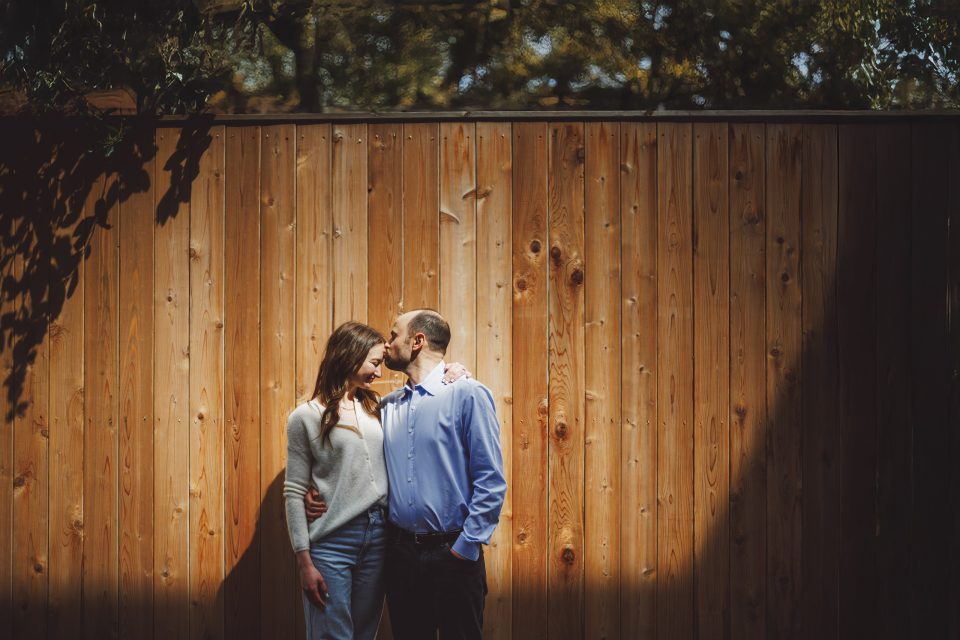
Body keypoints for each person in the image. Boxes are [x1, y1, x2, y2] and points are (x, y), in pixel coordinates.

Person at [306, 309, 507, 640]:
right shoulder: (386, 408)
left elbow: (491, 480)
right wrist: (310, 488)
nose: (386, 345)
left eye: (393, 335)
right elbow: (348, 454)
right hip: (400, 555)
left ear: (418, 341)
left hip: (454, 552)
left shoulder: (467, 394)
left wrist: (465, 547)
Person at [284, 321, 389, 640]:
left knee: (363, 634)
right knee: (332, 635)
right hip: (332, 541)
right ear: (350, 356)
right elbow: (293, 491)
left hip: (380, 537)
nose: (379, 373)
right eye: (374, 363)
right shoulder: (305, 416)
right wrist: (304, 561)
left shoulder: (378, 408)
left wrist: (455, 372)